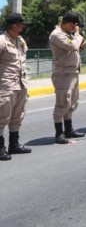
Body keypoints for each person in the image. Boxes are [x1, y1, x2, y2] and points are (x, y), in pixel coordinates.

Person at [49, 12, 86, 144]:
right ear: (71, 23)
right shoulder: (57, 34)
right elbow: (72, 46)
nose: (75, 29)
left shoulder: (68, 35)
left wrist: (80, 48)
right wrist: (77, 35)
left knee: (71, 103)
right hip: (63, 74)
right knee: (62, 102)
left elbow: (72, 49)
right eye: (75, 26)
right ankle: (59, 133)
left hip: (73, 72)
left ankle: (69, 129)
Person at [0, 13, 32, 161]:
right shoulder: (1, 41)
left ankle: (14, 144)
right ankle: (1, 149)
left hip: (21, 83)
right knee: (2, 117)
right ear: (14, 25)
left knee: (17, 116)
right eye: (22, 24)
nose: (24, 26)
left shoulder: (20, 40)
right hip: (6, 85)